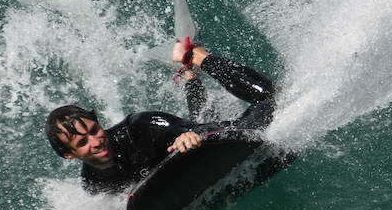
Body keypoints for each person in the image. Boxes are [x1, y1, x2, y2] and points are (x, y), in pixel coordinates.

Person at [46, 40, 276, 194]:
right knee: (204, 118)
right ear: (69, 155)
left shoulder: (141, 126)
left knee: (272, 99)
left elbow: (205, 130)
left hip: (204, 137)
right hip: (182, 160)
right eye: (82, 143)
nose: (96, 142)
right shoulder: (94, 182)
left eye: (94, 131)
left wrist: (188, 136)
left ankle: (197, 56)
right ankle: (188, 75)